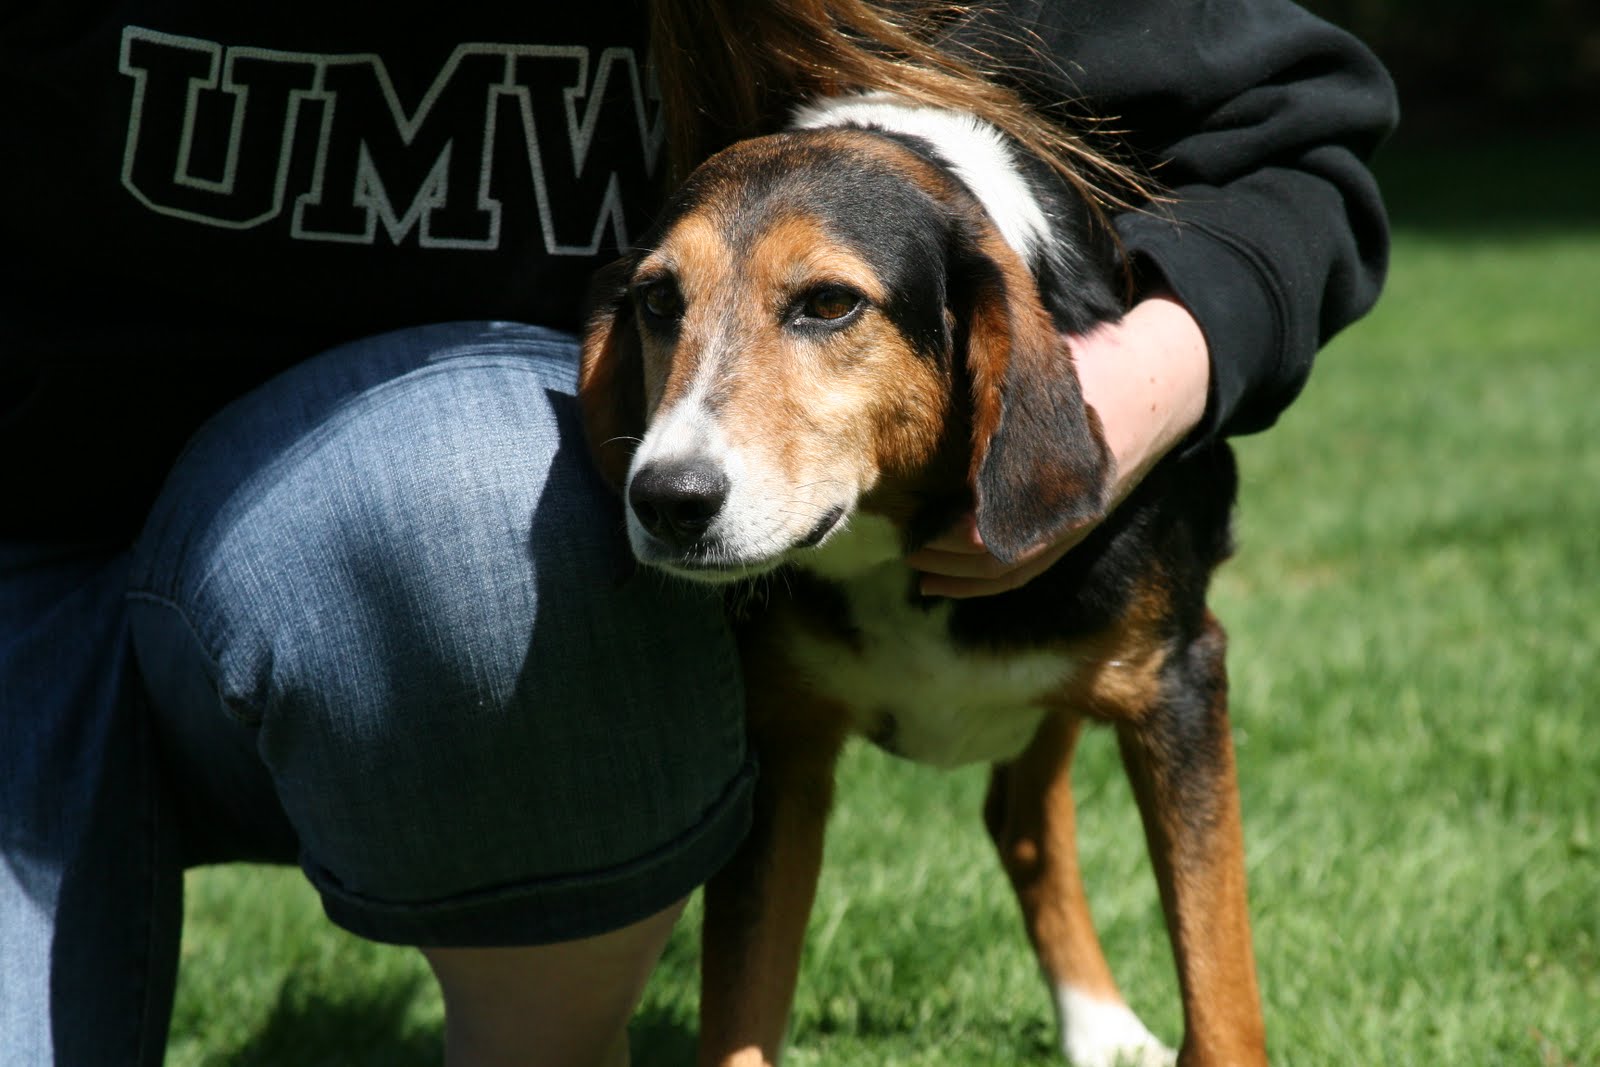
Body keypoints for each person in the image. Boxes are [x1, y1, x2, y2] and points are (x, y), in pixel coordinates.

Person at [0, 1, 1396, 1064]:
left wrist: (1110, 399)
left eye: (827, 310)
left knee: (487, 505)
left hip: (412, 531)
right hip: (28, 558)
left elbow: (1299, 125)